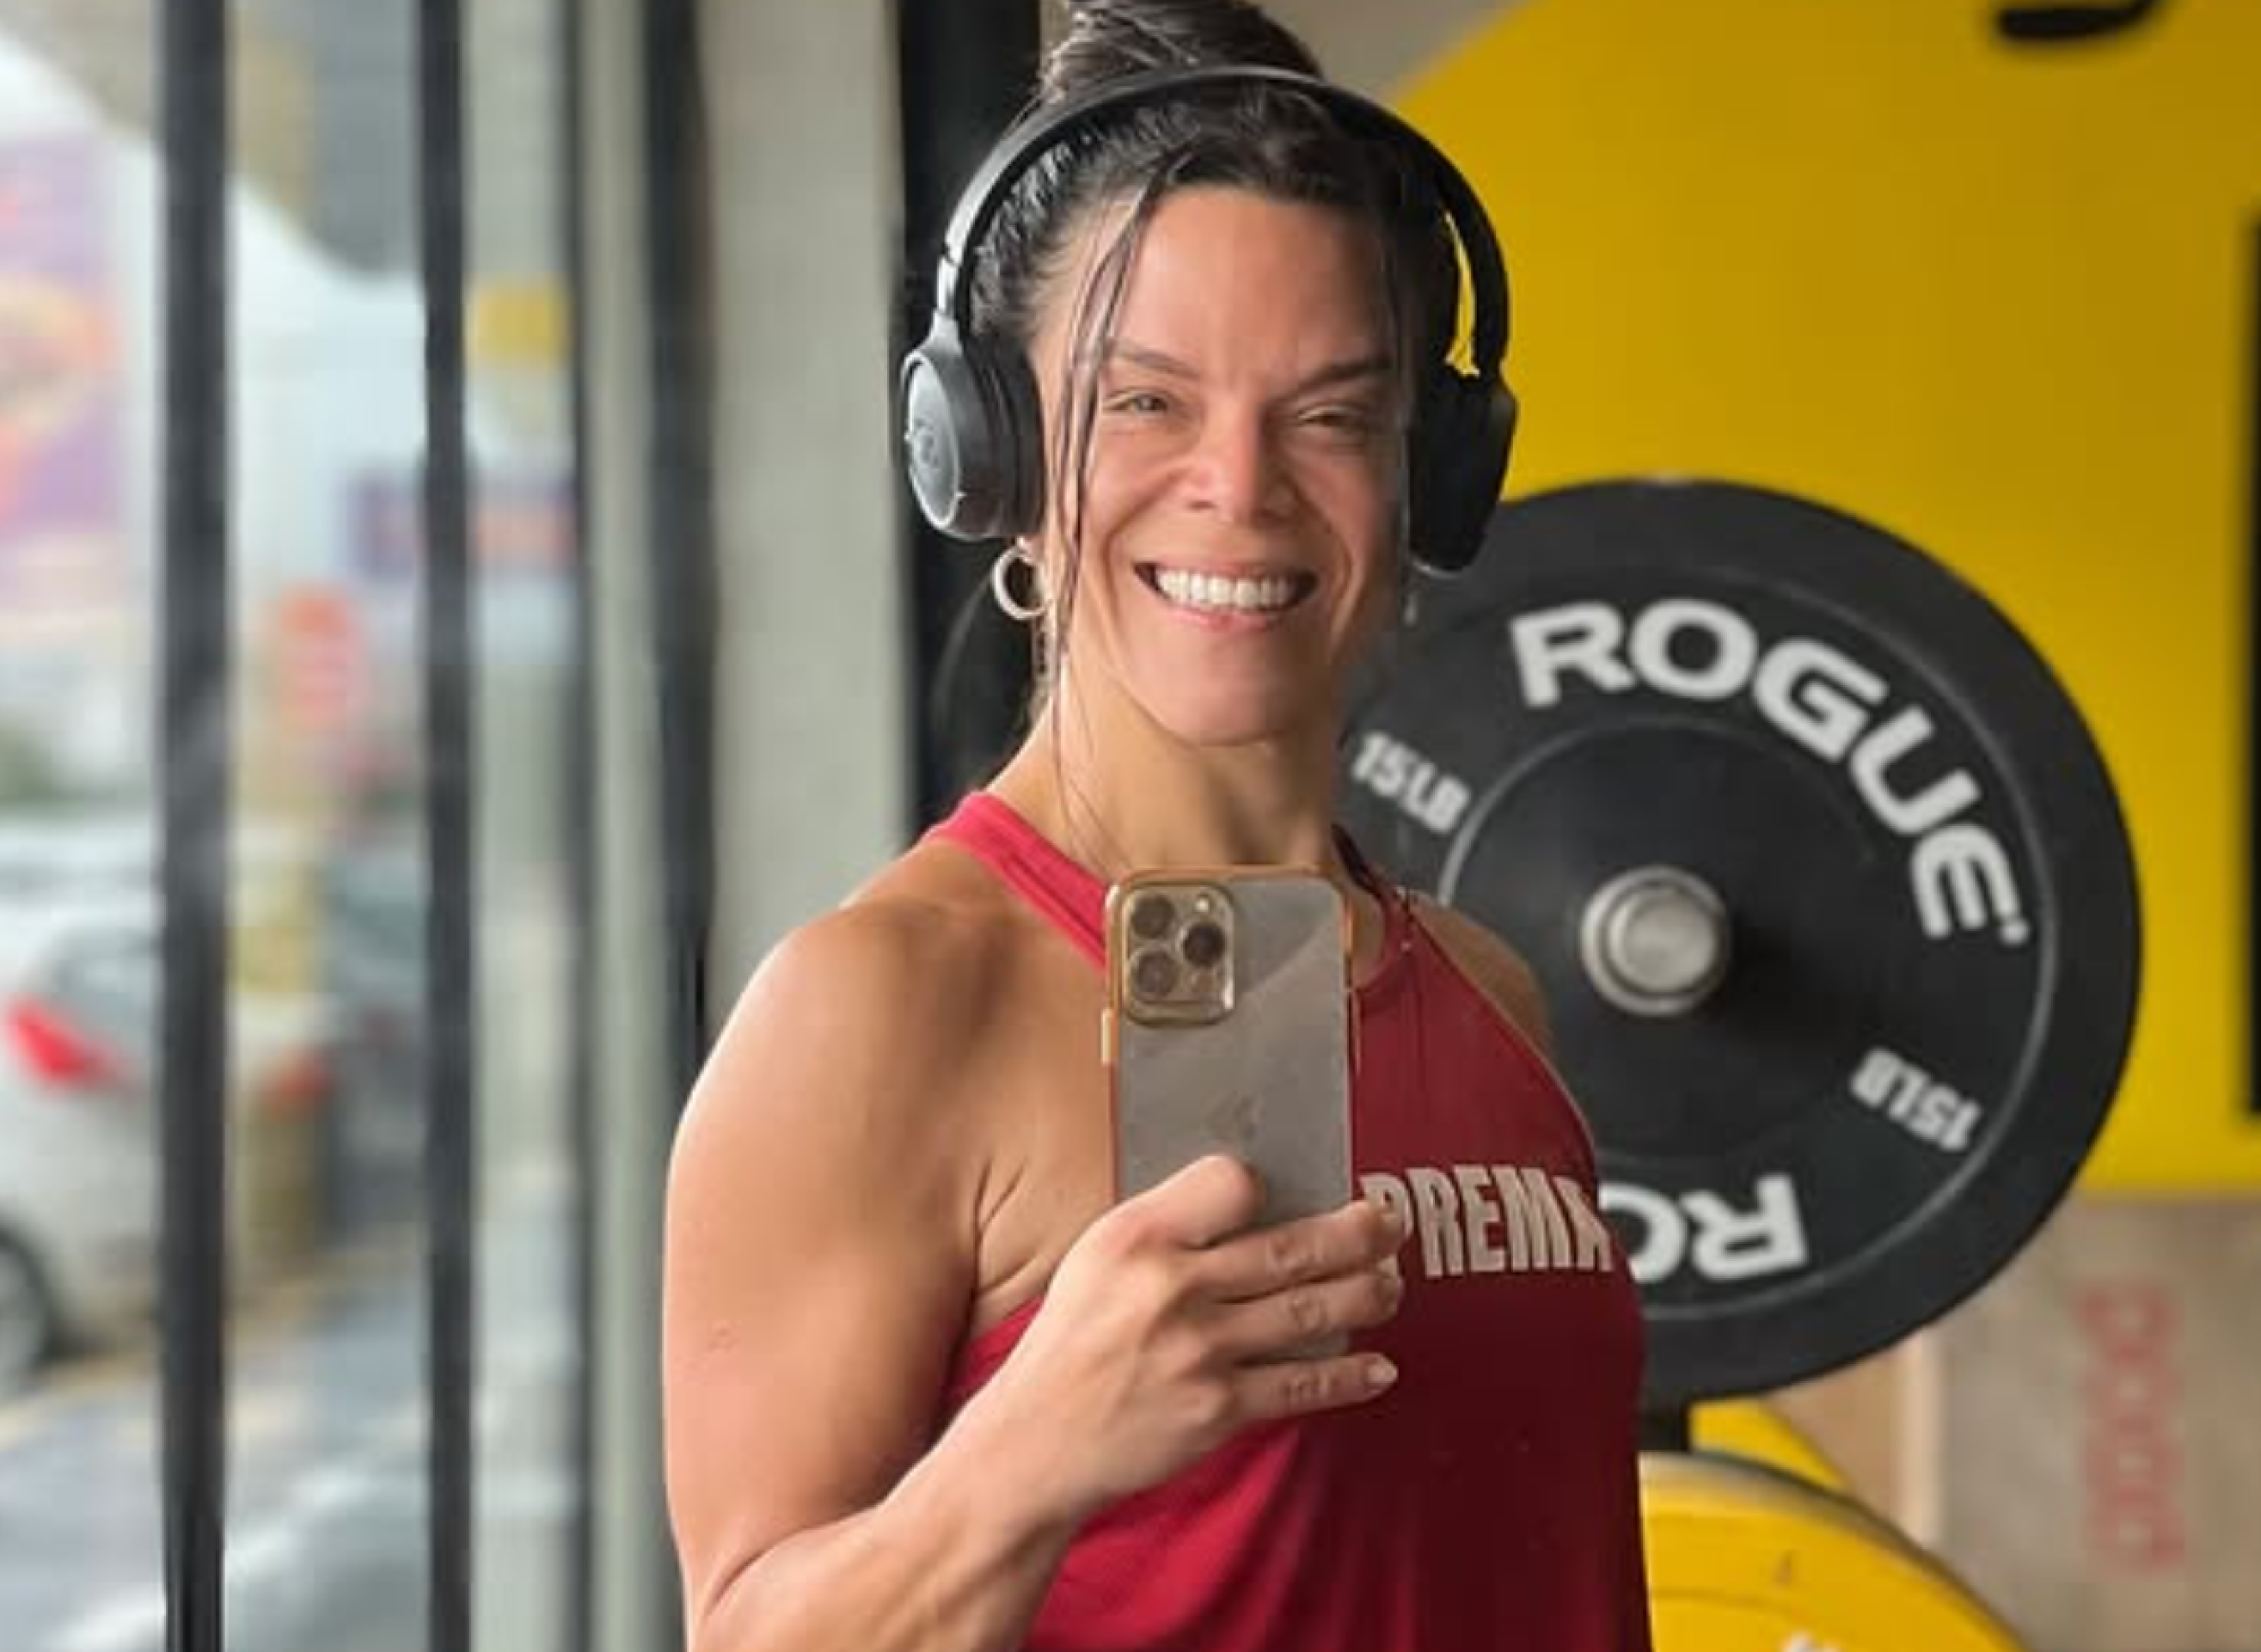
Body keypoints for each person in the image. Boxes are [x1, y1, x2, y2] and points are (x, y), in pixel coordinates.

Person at [661, 3, 1654, 1648]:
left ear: (1426, 478)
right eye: (1143, 402)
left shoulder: (1488, 993)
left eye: (1331, 414)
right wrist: (1033, 1450)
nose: (1238, 486)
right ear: (991, 454)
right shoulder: (882, 1005)